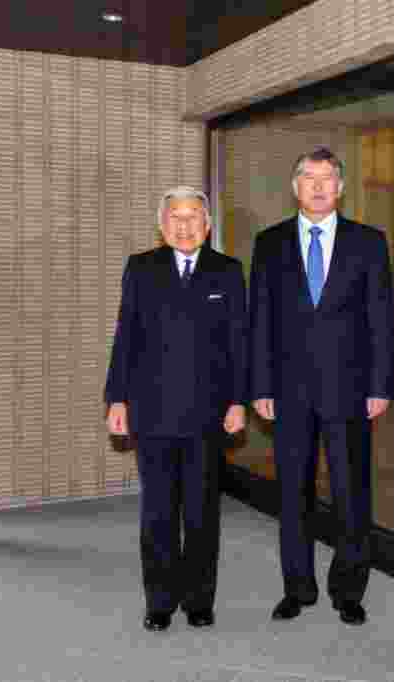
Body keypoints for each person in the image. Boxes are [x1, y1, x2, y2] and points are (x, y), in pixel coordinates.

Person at [249, 147, 394, 627]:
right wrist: (260, 385)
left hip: (349, 390)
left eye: (327, 177)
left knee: (352, 493)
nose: (317, 186)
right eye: (308, 177)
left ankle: (349, 590)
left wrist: (380, 385)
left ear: (341, 187)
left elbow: (380, 320)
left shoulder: (368, 243)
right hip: (288, 391)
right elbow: (260, 320)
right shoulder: (270, 243)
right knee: (293, 494)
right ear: (295, 186)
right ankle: (297, 588)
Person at [105, 186, 247, 632]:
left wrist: (238, 400)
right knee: (158, 513)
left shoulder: (228, 271)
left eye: (193, 218)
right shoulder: (141, 268)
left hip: (208, 413)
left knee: (202, 513)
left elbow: (239, 343)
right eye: (175, 218)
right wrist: (117, 398)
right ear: (162, 226)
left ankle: (199, 600)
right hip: (153, 411)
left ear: (207, 225)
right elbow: (126, 337)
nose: (184, 226)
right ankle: (160, 601)